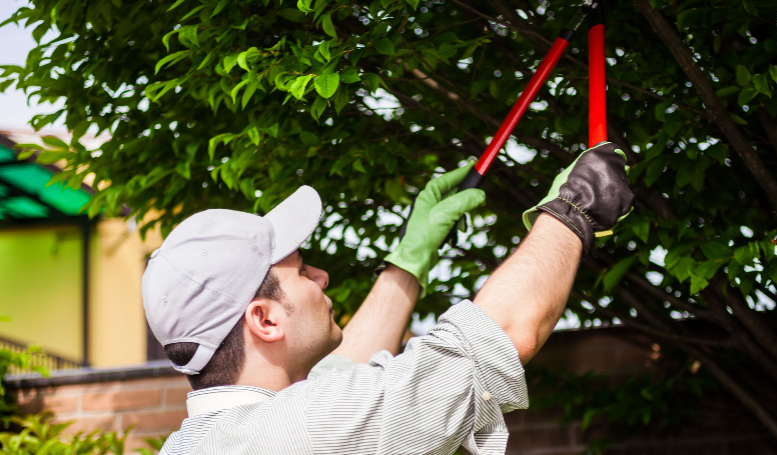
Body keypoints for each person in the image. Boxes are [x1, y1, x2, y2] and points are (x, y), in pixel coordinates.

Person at [143, 143, 634, 455]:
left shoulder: (209, 440)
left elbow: (347, 379)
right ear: (265, 320)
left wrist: (409, 259)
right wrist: (572, 212)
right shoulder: (298, 435)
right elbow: (498, 339)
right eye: (300, 271)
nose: (322, 276)